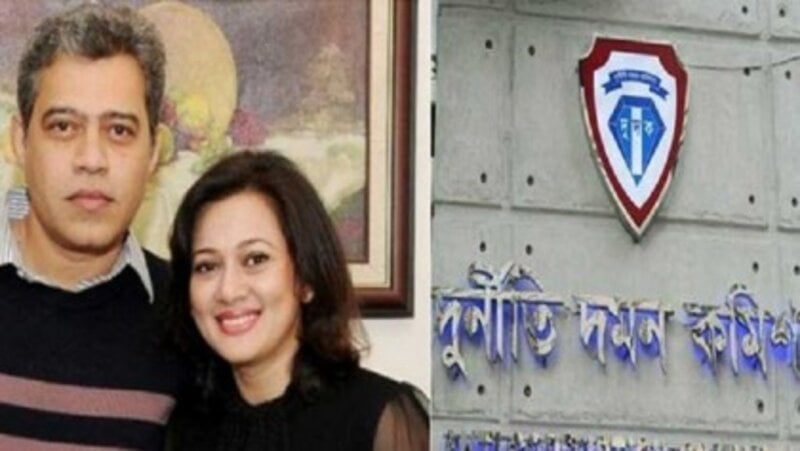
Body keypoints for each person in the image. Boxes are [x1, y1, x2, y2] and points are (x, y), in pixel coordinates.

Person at [0, 4, 186, 449]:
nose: (91, 159)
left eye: (119, 131)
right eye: (64, 127)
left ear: (153, 153)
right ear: (20, 141)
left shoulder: (189, 320)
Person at [166, 150, 429, 450]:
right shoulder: (184, 429)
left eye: (255, 259)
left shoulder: (379, 418)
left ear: (306, 278)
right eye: (207, 266)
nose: (228, 290)